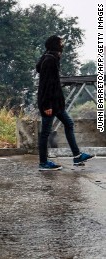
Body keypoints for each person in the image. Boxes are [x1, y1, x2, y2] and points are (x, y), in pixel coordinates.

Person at [36, 35, 94, 171]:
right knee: (45, 133)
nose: (63, 44)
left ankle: (77, 155)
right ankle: (43, 163)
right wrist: (47, 105)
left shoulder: (52, 58)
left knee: (69, 123)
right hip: (50, 104)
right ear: (55, 45)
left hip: (56, 104)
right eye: (61, 42)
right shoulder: (49, 61)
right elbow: (46, 85)